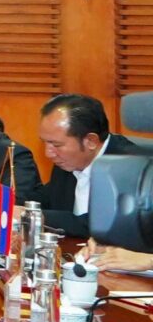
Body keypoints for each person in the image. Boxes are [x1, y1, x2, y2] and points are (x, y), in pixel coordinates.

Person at [39, 93, 144, 239]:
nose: (48, 153)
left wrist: (37, 216)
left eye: (56, 145)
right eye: (45, 142)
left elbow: (103, 225)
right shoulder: (67, 161)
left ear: (91, 141)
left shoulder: (131, 168)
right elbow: (45, 199)